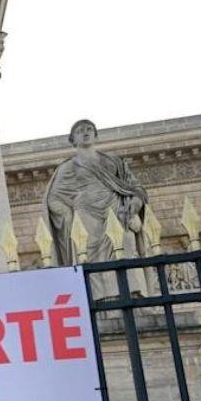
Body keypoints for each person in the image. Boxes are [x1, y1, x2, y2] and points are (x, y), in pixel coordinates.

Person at [45, 119, 149, 296]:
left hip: (116, 211)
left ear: (95, 135)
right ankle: (101, 299)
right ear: (73, 140)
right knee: (90, 254)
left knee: (126, 245)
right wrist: (69, 217)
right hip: (87, 216)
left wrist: (135, 203)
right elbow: (53, 199)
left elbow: (135, 187)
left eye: (89, 129)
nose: (85, 133)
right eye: (79, 131)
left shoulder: (114, 161)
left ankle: (133, 294)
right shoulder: (68, 167)